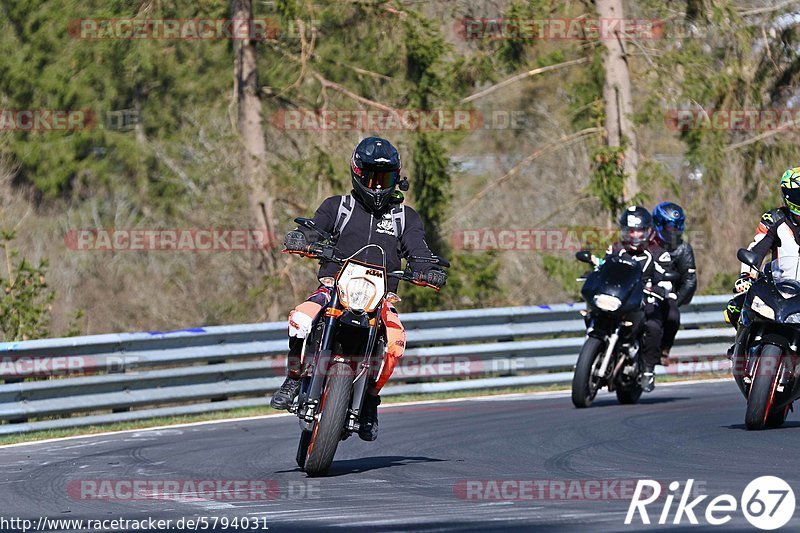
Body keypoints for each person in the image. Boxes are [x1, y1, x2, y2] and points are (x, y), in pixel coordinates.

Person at [271, 136, 447, 441]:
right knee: (301, 319)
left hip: (381, 299)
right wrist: (302, 239)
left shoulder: (404, 217)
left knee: (394, 344)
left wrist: (427, 270)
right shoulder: (337, 206)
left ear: (397, 179)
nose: (378, 186)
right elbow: (314, 228)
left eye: (386, 178)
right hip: (333, 288)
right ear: (357, 173)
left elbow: (418, 251)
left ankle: (370, 400)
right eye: (372, 177)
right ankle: (293, 376)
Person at [603, 206, 673, 392]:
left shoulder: (658, 252)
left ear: (648, 231)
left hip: (643, 300)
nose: (634, 235)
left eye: (639, 231)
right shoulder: (615, 249)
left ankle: (648, 370)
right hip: (617, 299)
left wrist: (661, 288)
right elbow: (603, 269)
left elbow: (665, 278)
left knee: (653, 326)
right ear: (624, 231)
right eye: (630, 231)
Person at [727, 167, 800, 328]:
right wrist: (747, 276)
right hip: (779, 290)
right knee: (735, 308)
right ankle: (740, 348)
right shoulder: (775, 219)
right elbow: (757, 249)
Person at [651, 202, 697, 364]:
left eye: (677, 226)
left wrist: (675, 301)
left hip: (666, 295)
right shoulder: (644, 241)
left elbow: (690, 282)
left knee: (672, 317)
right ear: (658, 224)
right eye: (670, 227)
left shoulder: (683, 249)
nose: (674, 231)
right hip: (642, 289)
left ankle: (663, 350)